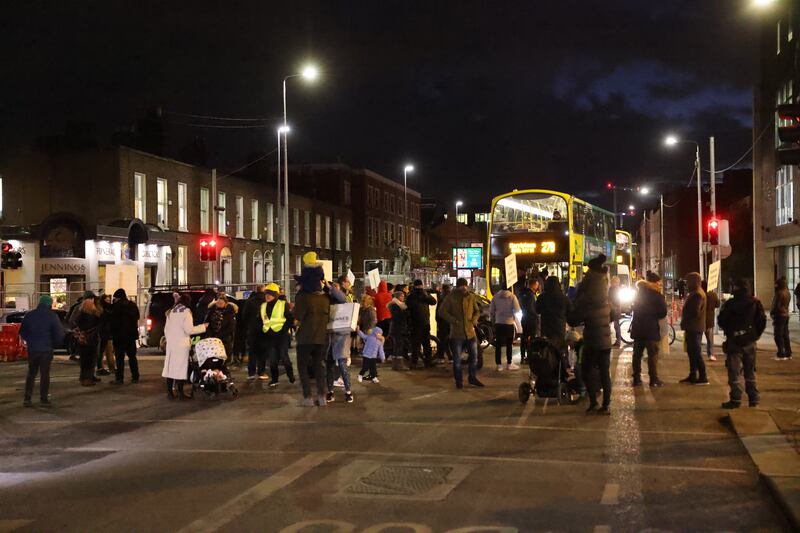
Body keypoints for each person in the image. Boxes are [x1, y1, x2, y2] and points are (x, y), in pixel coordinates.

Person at [294, 259, 345, 406]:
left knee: (303, 367)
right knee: (319, 366)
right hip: (322, 338)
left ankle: (308, 397)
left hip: (305, 338)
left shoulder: (303, 297)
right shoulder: (325, 298)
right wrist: (329, 286)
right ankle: (322, 396)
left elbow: (297, 318)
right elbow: (342, 299)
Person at [569, 254, 612, 414]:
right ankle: (606, 405)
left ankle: (593, 401)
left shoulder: (587, 296)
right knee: (604, 373)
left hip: (592, 341)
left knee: (585, 370)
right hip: (606, 341)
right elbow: (613, 314)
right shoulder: (605, 294)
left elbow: (574, 318)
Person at [718, 279, 767, 409]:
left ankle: (735, 399)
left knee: (734, 372)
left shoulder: (729, 304)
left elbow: (721, 321)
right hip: (750, 342)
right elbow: (762, 321)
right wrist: (755, 336)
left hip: (734, 341)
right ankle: (753, 399)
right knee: (750, 371)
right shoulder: (755, 303)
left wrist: (730, 331)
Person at [20, 295, 65, 407]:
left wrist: (30, 341)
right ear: (49, 304)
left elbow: (22, 332)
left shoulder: (29, 315)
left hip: (33, 349)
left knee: (31, 373)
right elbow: (59, 334)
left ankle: (27, 398)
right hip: (46, 349)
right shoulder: (52, 316)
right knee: (45, 374)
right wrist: (54, 344)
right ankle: (43, 399)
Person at [439, 277, 483, 388]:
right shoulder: (451, 297)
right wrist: (453, 320)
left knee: (474, 357)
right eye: (461, 285)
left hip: (470, 332)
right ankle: (459, 381)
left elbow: (477, 311)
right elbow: (442, 312)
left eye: (465, 285)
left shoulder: (471, 297)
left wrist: (474, 320)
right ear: (458, 286)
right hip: (457, 334)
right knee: (457, 359)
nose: (464, 287)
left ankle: (472, 378)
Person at [162, 294, 207, 399]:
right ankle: (181, 393)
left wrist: (170, 340)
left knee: (170, 368)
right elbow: (189, 330)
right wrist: (203, 327)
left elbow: (166, 330)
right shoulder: (186, 312)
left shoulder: (171, 312)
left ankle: (170, 393)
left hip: (172, 344)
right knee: (181, 369)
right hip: (182, 345)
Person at [630, 273, 667, 387]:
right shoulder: (657, 295)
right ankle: (653, 379)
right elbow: (662, 313)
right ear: (655, 283)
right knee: (652, 355)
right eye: (658, 282)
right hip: (651, 329)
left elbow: (633, 308)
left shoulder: (638, 294)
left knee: (637, 355)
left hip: (638, 328)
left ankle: (636, 378)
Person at [262, 283, 295, 387]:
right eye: (266, 294)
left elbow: (289, 318)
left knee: (284, 357)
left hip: (282, 336)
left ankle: (290, 375)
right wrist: (264, 331)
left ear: (275, 295)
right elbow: (260, 320)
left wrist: (284, 330)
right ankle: (275, 379)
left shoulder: (282, 304)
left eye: (270, 294)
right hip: (269, 336)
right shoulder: (263, 306)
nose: (267, 296)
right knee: (272, 359)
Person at [679, 272, 708, 385]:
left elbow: (695, 311)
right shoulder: (696, 293)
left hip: (694, 327)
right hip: (694, 327)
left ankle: (703, 376)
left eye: (688, 282)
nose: (686, 284)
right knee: (692, 352)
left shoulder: (697, 294)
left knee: (696, 352)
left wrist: (685, 318)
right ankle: (692, 375)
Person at [110, 288, 140, 385]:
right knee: (132, 357)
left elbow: (113, 322)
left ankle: (119, 378)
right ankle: (135, 376)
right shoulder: (132, 305)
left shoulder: (116, 306)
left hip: (119, 336)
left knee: (119, 358)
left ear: (117, 297)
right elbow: (137, 317)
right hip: (131, 336)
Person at [72, 293, 102, 386]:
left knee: (84, 360)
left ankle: (85, 377)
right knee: (90, 360)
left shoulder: (80, 315)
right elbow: (99, 325)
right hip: (91, 340)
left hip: (83, 340)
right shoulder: (94, 316)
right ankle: (88, 379)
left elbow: (74, 323)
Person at [406, 279, 437, 368]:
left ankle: (425, 361)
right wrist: (422, 295)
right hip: (418, 323)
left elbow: (433, 302)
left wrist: (425, 295)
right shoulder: (412, 296)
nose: (420, 287)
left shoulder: (422, 294)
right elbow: (410, 307)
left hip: (422, 322)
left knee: (423, 343)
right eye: (419, 286)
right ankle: (417, 362)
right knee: (419, 344)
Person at [489, 285, 521, 371]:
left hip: (499, 323)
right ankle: (509, 363)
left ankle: (499, 365)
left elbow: (491, 311)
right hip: (509, 323)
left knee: (498, 344)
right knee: (509, 344)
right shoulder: (512, 297)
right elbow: (517, 310)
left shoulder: (495, 297)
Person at [537, 276, 570, 352]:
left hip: (545, 329)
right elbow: (570, 312)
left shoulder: (541, 298)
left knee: (545, 351)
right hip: (559, 330)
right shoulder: (564, 298)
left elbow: (537, 310)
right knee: (560, 352)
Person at [242, 286, 268, 380]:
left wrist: (249, 324)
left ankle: (251, 372)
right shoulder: (266, 301)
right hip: (264, 329)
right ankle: (261, 372)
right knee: (262, 351)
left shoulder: (250, 301)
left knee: (252, 351)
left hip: (252, 329)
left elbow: (244, 316)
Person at [205, 295, 237, 360]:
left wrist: (220, 335)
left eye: (221, 303)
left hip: (224, 339)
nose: (219, 304)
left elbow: (231, 327)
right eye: (218, 303)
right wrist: (211, 333)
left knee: (223, 358)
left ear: (226, 304)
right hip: (212, 338)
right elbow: (206, 323)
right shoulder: (211, 310)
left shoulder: (230, 312)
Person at [771, 276, 792, 360]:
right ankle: (788, 352)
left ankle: (781, 353)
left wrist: (772, 313)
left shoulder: (779, 293)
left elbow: (776, 305)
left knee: (778, 335)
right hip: (785, 314)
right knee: (785, 334)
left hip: (779, 315)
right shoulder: (787, 292)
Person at [518, 278, 539, 363]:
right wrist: (535, 315)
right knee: (532, 338)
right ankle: (530, 356)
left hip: (524, 318)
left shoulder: (523, 293)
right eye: (537, 285)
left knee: (524, 338)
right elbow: (531, 308)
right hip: (531, 319)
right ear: (533, 285)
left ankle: (523, 356)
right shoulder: (530, 295)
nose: (538, 287)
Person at [387, 290, 409, 370]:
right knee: (398, 346)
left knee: (397, 346)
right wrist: (405, 313)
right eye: (402, 296)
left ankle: (396, 365)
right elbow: (399, 317)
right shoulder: (396, 306)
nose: (403, 297)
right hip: (398, 329)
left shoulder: (397, 305)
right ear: (398, 297)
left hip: (396, 328)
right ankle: (399, 365)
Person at [96, 293, 116, 376]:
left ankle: (111, 368)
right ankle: (101, 368)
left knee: (109, 352)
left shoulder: (109, 309)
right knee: (101, 352)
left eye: (109, 300)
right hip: (103, 333)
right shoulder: (102, 309)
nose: (108, 301)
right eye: (106, 300)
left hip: (108, 333)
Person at [701, 280, 721, 362]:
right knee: (710, 340)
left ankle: (698, 355)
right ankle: (711, 354)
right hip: (709, 320)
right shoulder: (712, 295)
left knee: (698, 339)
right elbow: (718, 304)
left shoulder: (700, 295)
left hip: (700, 320)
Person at [609, 276, 623, 348]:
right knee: (615, 326)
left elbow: (615, 300)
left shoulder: (614, 289)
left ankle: (618, 342)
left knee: (616, 326)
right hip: (614, 309)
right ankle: (617, 342)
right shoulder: (614, 289)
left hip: (614, 309)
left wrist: (611, 304)